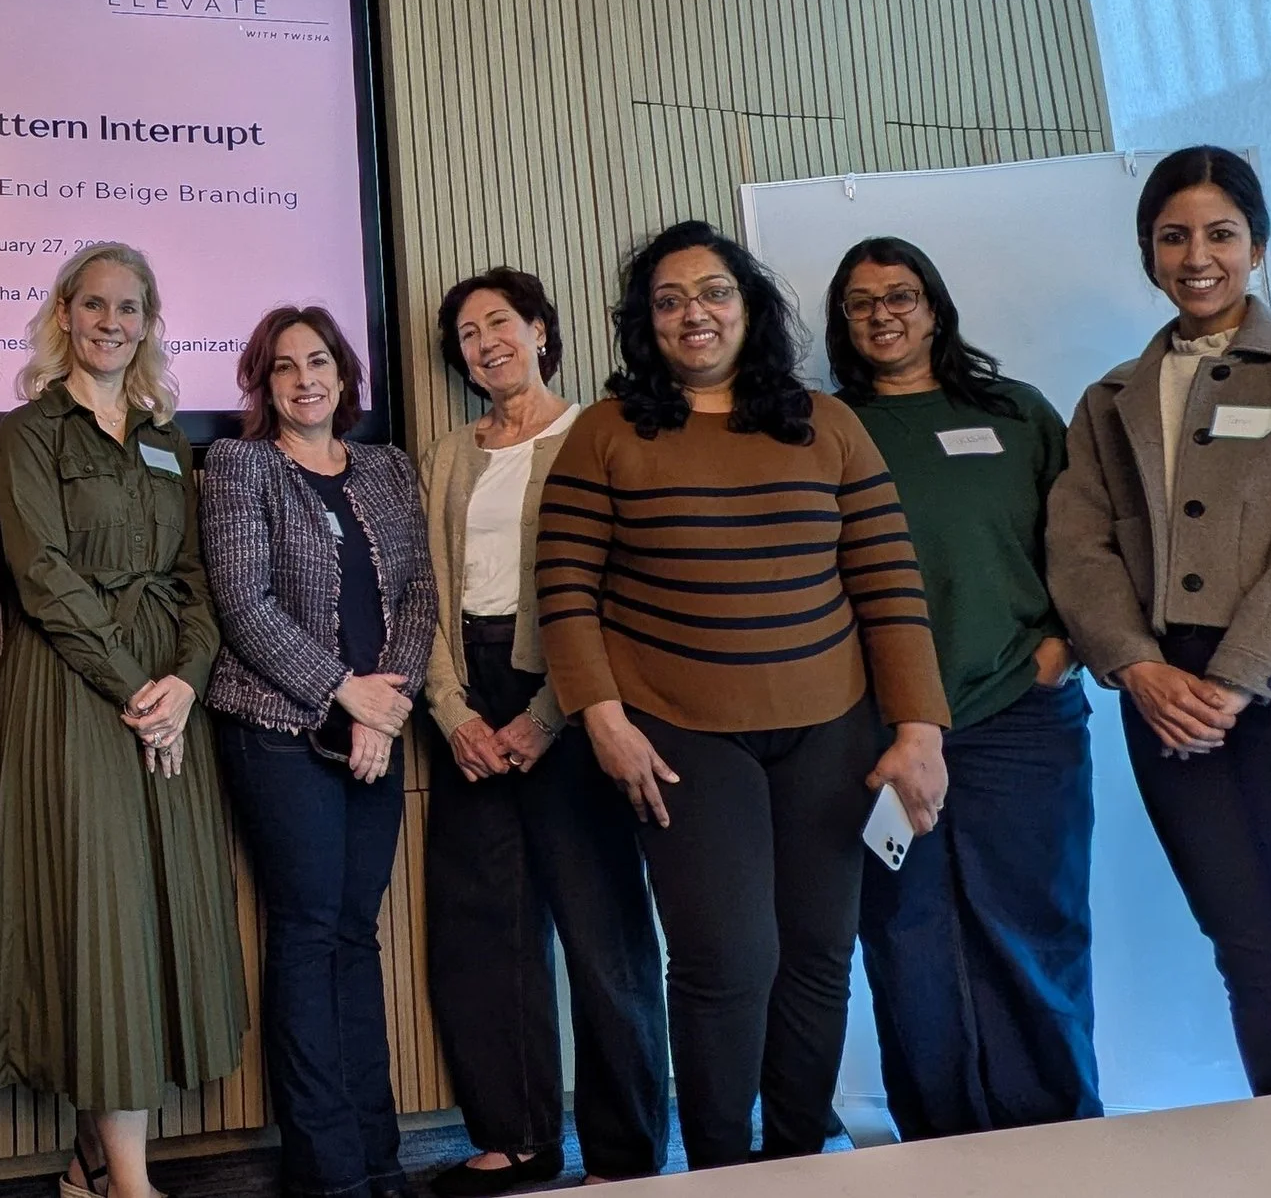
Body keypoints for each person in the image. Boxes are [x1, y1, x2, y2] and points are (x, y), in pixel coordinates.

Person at [535, 220, 951, 1171]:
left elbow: (889, 582)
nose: (695, 313)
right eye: (670, 299)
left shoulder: (824, 423)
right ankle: (720, 1167)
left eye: (714, 292)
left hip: (832, 730)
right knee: (728, 961)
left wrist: (918, 729)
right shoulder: (606, 432)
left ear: (750, 304)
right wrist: (604, 720)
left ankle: (797, 1157)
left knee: (816, 953)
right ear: (646, 323)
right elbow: (564, 588)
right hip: (681, 736)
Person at [1048, 146, 1271, 1096]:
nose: (1198, 255)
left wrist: (1238, 677)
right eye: (1173, 235)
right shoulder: (1109, 399)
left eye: (1221, 233)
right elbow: (1081, 547)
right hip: (1165, 696)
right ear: (1148, 253)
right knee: (1249, 954)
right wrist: (1138, 669)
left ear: (1258, 248)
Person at [0, 242, 246, 1198]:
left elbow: (197, 580)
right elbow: (41, 574)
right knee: (102, 909)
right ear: (64, 313)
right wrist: (137, 688)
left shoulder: (169, 437)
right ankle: (131, 1182)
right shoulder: (29, 431)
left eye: (130, 308)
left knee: (147, 914)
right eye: (95, 305)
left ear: (150, 320)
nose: (112, 322)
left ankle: (89, 1163)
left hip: (169, 697)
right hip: (76, 692)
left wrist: (187, 681)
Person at [824, 238, 1101, 1139]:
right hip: (884, 730)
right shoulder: (825, 427)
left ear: (935, 306)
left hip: (1023, 712)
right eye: (860, 303)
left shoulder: (1017, 413)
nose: (882, 315)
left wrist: (1064, 644)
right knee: (910, 942)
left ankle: (1059, 1127)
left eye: (899, 295)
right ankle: (939, 1138)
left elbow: (1085, 545)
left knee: (1035, 924)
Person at [417, 270, 669, 1190]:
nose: (485, 342)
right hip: (467, 697)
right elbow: (424, 595)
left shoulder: (596, 432)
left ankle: (626, 1149)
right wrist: (452, 713)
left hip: (574, 688)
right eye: (466, 333)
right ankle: (515, 1135)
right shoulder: (447, 452)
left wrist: (543, 716)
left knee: (603, 930)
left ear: (540, 331)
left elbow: (613, 587)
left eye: (500, 323)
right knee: (482, 927)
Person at [198, 305, 434, 1198]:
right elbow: (244, 604)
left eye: (320, 360)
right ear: (262, 385)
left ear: (344, 372)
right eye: (285, 366)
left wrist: (384, 707)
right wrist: (346, 691)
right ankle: (327, 1170)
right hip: (275, 729)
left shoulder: (385, 467)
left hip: (377, 732)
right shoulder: (240, 464)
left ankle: (380, 1156)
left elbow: (417, 595)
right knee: (305, 935)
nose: (306, 378)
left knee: (354, 936)